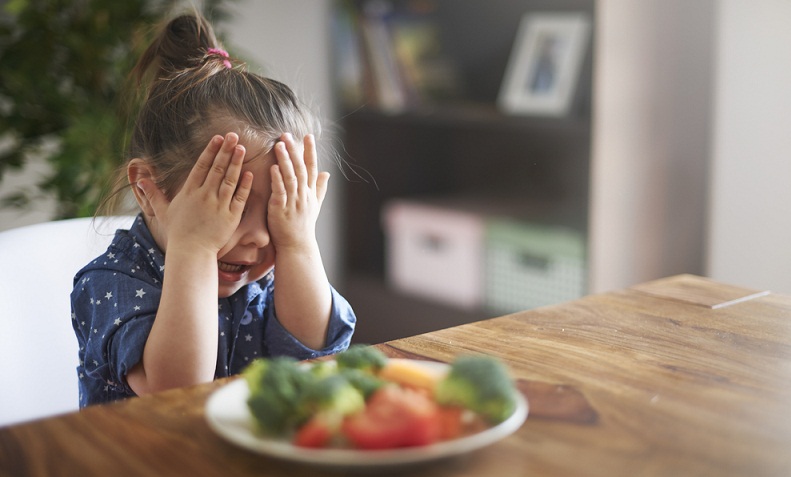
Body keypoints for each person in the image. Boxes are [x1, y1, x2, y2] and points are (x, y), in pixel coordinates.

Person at [71, 12, 355, 407]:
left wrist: (297, 243)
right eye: (230, 208)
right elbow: (177, 390)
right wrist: (195, 248)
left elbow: (317, 352)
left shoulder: (274, 268)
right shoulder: (111, 281)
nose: (259, 236)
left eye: (276, 212)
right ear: (148, 189)